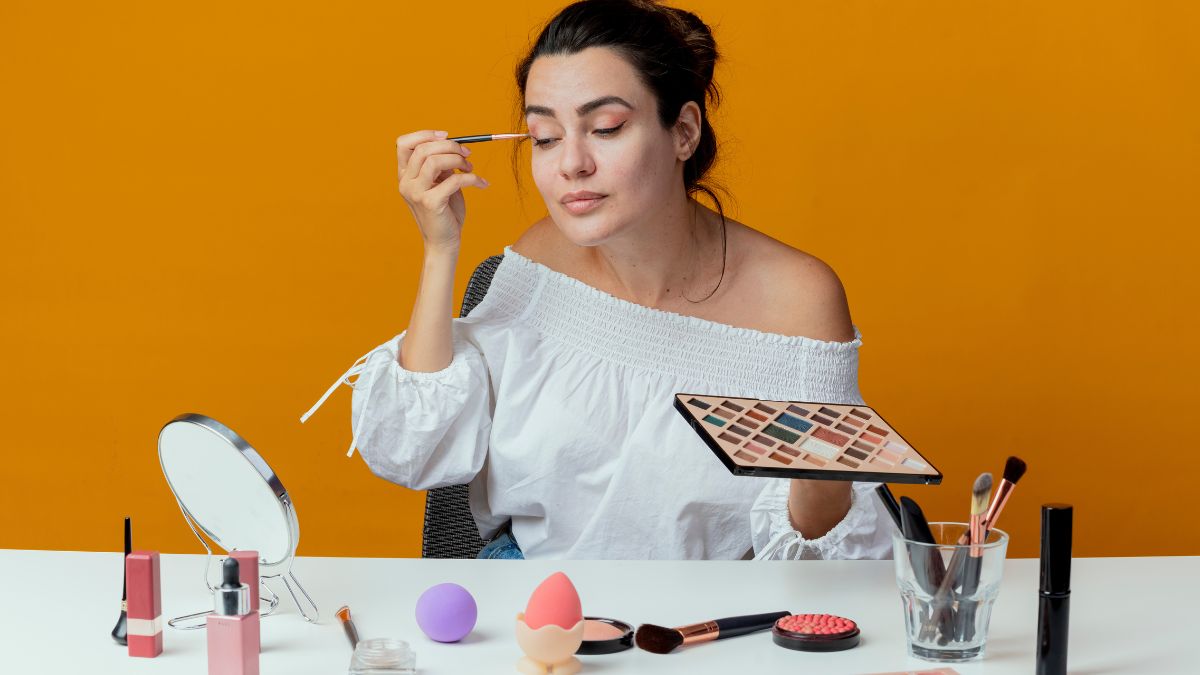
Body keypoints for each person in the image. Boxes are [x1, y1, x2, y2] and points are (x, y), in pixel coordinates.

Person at [305, 0, 892, 560]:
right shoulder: (538, 261)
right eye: (545, 137)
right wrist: (440, 249)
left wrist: (824, 462)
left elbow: (825, 554)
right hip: (533, 601)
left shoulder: (797, 299)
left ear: (684, 132)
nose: (571, 164)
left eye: (606, 128)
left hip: (710, 614)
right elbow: (414, 451)